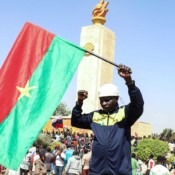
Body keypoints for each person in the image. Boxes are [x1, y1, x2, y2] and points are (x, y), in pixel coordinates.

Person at [71, 64, 144, 175]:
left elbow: (138, 105)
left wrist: (129, 81)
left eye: (107, 99)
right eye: (101, 100)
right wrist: (79, 102)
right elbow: (76, 120)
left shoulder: (124, 113)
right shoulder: (95, 116)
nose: (104, 103)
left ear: (116, 98)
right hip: (97, 171)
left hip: (120, 171)